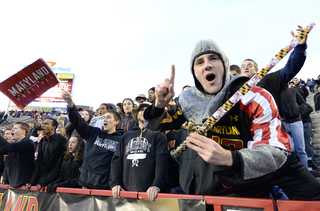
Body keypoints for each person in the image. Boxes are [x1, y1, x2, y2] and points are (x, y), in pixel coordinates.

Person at [144, 35, 320, 199]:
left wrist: (230, 158)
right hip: (217, 186)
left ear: (225, 64)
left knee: (312, 195)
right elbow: (151, 128)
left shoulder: (253, 96)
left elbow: (277, 151)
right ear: (195, 73)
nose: (207, 65)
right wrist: (158, 106)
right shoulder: (187, 100)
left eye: (213, 58)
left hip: (255, 182)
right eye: (199, 62)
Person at [61, 89, 123, 189]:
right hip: (85, 182)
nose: (105, 119)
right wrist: (70, 105)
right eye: (104, 118)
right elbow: (77, 122)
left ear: (116, 122)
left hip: (105, 186)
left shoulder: (122, 139)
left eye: (108, 117)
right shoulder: (93, 132)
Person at [110, 102, 169, 201]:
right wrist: (115, 183)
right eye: (141, 110)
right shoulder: (126, 136)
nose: (143, 112)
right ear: (136, 115)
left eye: (147, 110)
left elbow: (162, 160)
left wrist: (157, 184)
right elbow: (116, 160)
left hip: (150, 195)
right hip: (125, 193)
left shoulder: (158, 135)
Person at [26, 118, 67, 191]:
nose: (43, 125)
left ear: (53, 127)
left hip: (54, 182)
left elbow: (59, 165)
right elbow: (39, 162)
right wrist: (32, 181)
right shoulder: (42, 140)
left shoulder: (62, 141)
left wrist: (45, 182)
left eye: (46, 124)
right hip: (41, 179)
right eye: (43, 123)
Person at [279, 83, 309, 167]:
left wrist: (297, 110)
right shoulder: (276, 94)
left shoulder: (293, 91)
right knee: (289, 150)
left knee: (300, 149)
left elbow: (303, 103)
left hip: (296, 121)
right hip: (284, 123)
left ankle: (305, 174)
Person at [0, 122, 35, 187]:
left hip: (24, 185)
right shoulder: (14, 145)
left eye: (15, 128)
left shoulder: (27, 143)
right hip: (12, 184)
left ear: (23, 131)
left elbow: (8, 147)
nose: (12, 130)